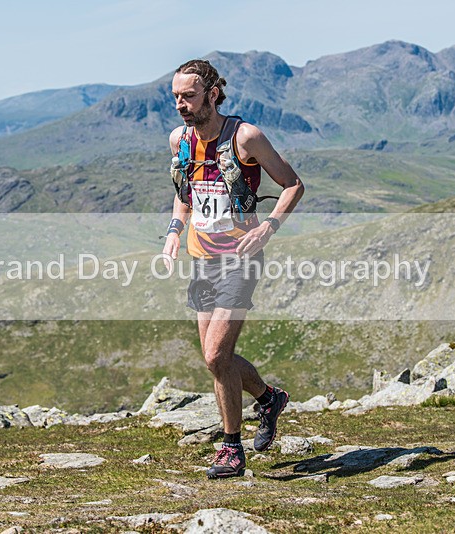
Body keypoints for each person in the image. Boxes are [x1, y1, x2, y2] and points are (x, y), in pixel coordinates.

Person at [162, 59, 305, 479]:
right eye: (176, 97)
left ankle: (231, 448)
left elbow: (293, 184)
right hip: (202, 259)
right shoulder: (179, 140)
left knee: (215, 354)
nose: (181, 105)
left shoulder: (245, 137)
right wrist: (174, 231)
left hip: (240, 260)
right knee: (216, 361)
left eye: (189, 96)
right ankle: (269, 398)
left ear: (212, 94)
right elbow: (185, 195)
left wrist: (268, 228)